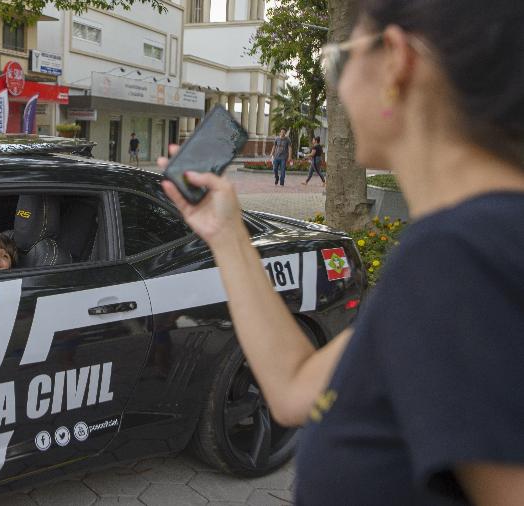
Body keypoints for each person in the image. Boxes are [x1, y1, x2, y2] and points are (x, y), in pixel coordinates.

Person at [159, 0, 524, 503]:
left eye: (338, 60)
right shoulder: (464, 248)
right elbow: (291, 390)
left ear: (396, 60)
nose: (338, 86)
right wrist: (227, 233)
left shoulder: (460, 256)